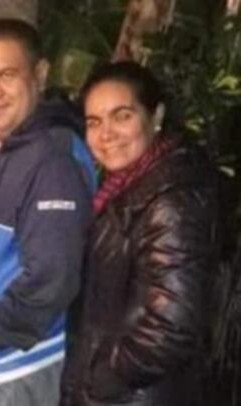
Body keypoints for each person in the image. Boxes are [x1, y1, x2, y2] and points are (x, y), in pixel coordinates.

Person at [0, 18, 95, 405]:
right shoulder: (0, 150)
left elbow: (52, 280)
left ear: (39, 75)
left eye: (6, 75)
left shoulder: (51, 162)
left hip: (12, 374)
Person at [60, 61, 218, 406]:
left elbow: (172, 326)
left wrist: (102, 379)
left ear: (155, 116)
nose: (106, 133)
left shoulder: (170, 201)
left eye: (122, 116)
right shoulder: (128, 187)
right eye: (94, 122)